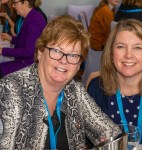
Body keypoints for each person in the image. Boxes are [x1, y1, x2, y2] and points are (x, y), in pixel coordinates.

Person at [0, 15, 118, 149]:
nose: (64, 60)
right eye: (56, 51)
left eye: (73, 55)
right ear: (40, 52)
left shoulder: (74, 91)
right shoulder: (10, 89)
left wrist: (110, 141)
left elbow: (110, 132)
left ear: (79, 64)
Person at [87, 19, 142, 144]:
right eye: (121, 47)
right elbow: (89, 140)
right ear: (111, 53)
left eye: (137, 48)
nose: (128, 55)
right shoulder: (97, 88)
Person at [0, 0, 46, 78]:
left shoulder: (34, 21)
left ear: (25, 3)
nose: (13, 6)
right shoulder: (31, 16)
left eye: (15, 3)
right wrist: (11, 39)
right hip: (24, 61)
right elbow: (27, 40)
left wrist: (2, 50)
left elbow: (28, 51)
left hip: (27, 65)